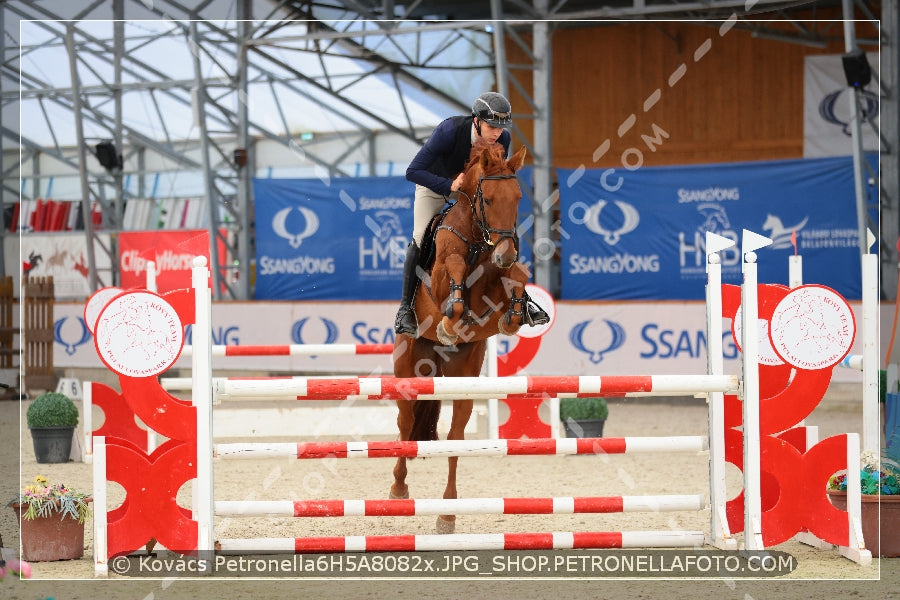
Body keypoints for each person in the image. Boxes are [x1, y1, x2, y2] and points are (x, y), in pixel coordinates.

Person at [394, 91, 550, 337]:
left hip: (471, 194)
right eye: (491, 127)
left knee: (504, 227)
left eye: (501, 128)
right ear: (476, 121)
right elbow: (413, 171)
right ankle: (405, 309)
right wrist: (448, 185)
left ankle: (523, 299)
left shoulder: (503, 139)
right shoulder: (449, 131)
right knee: (420, 237)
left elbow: (495, 177)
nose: (497, 133)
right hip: (435, 186)